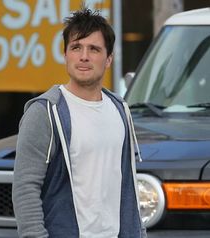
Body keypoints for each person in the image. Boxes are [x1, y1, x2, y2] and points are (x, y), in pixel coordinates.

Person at [12, 6, 147, 238]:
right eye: (76, 47)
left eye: (93, 49)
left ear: (108, 59)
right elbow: (25, 187)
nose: (84, 56)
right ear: (66, 55)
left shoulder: (119, 109)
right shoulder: (45, 112)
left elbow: (128, 185)